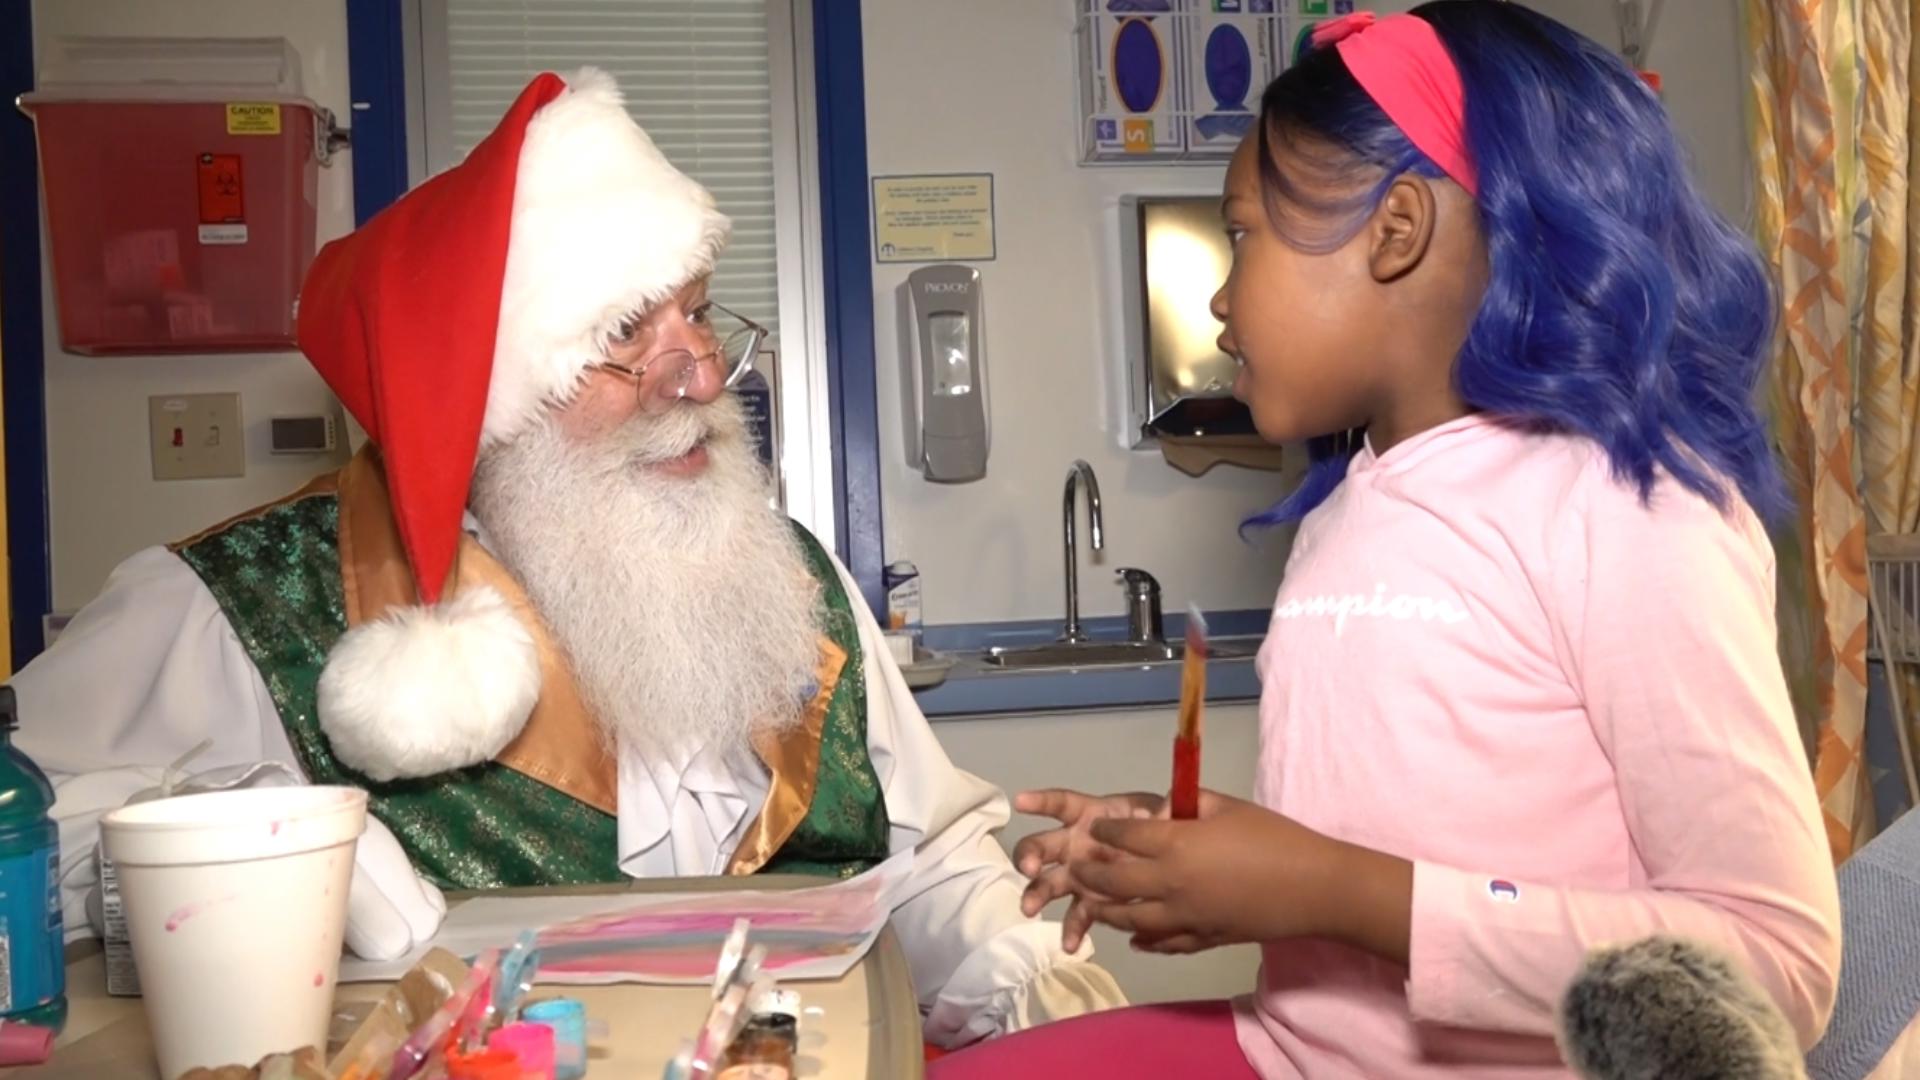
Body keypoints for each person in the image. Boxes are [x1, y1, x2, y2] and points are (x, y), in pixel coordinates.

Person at [13, 67, 1124, 1047]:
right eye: (621, 339)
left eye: (695, 318)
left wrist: (1031, 977)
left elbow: (925, 856)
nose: (698, 378)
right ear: (492, 398)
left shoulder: (791, 576)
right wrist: (234, 843)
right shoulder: (239, 608)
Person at [931, 4, 1840, 1076]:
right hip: (1300, 1047)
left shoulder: (1630, 509)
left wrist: (1332, 892)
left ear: (1396, 230)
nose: (1220, 299)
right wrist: (1210, 857)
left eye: (1242, 235)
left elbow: (1777, 968)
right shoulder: (1347, 507)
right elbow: (1407, 837)